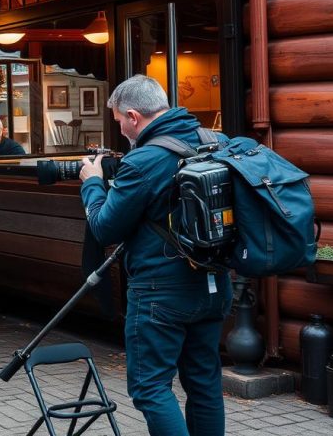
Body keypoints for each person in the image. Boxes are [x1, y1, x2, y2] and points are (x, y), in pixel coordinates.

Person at [78, 75, 232, 436]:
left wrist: (92, 184)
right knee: (204, 383)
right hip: (214, 284)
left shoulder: (144, 159)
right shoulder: (217, 141)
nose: (119, 129)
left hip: (159, 294)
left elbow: (104, 228)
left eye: (118, 120)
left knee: (151, 389)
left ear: (133, 116)